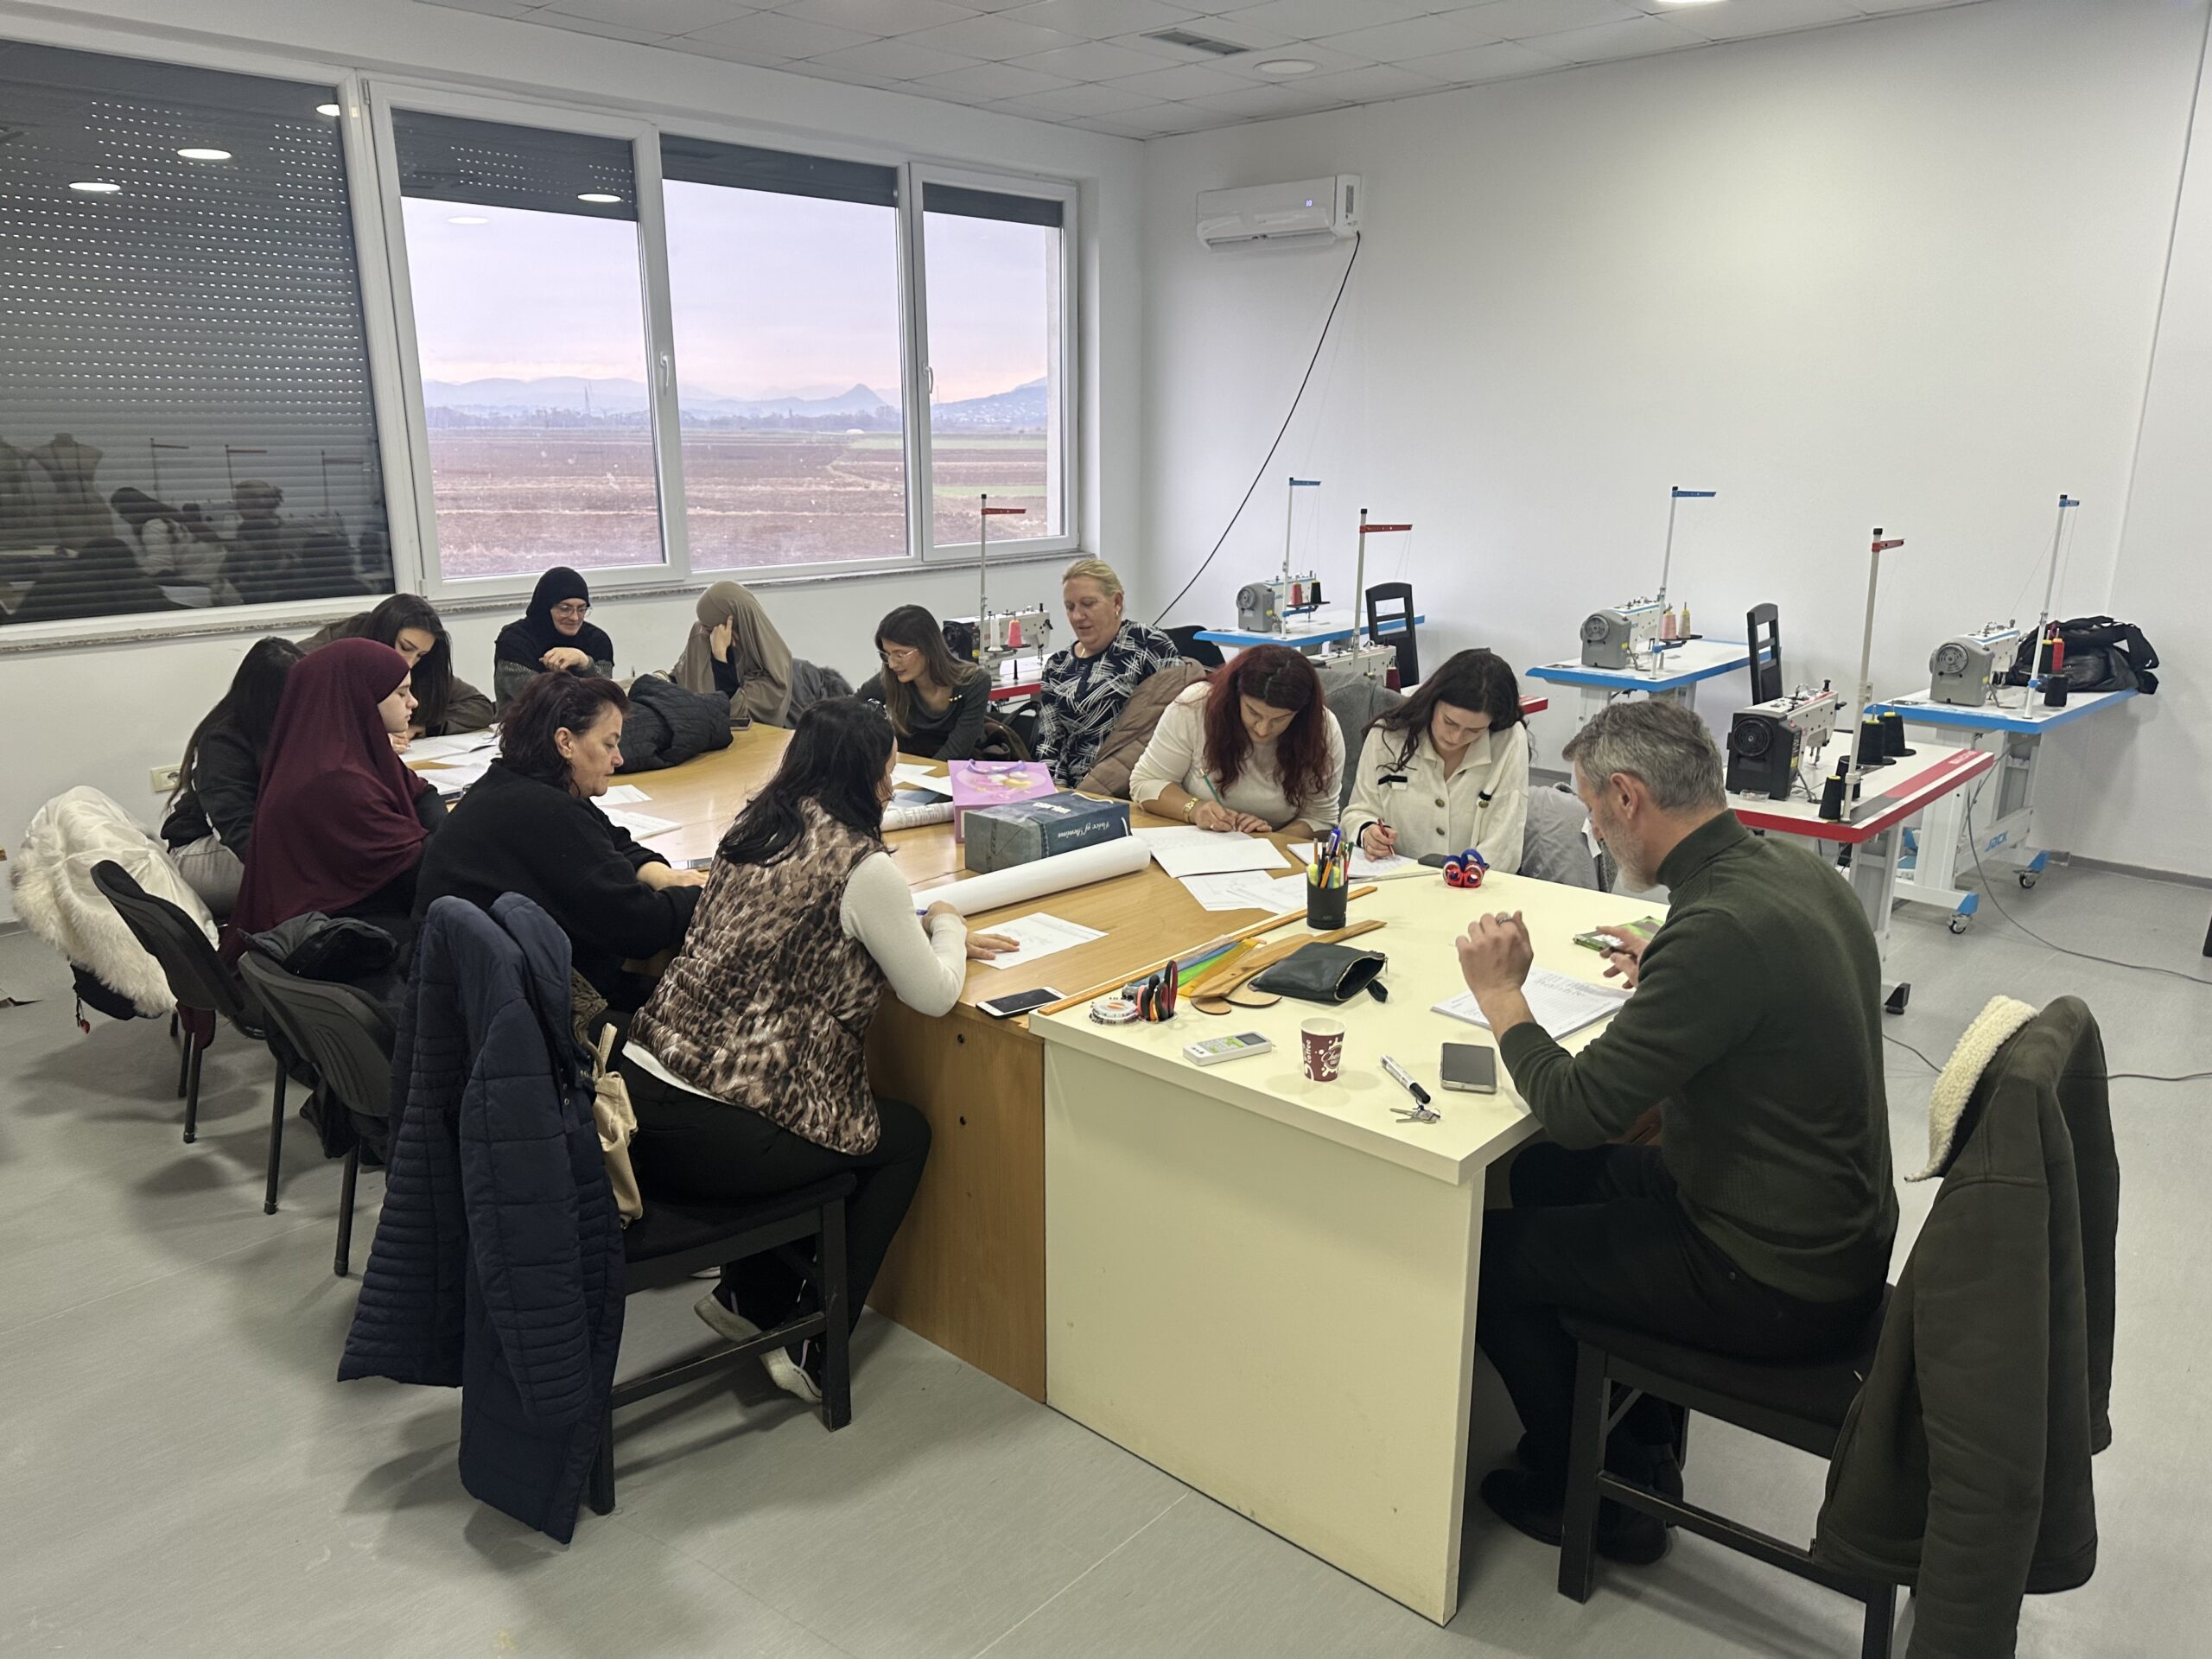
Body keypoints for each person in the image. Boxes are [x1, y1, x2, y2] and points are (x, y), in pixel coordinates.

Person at [1451, 699, 1897, 1565]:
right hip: (1824, 1224)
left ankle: (1599, 1495)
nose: (1591, 827)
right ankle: (1641, 1441)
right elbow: (1765, 1010)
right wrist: (1669, 971)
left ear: (1627, 797)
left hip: (1773, 1275)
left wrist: (1501, 996)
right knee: (1541, 1178)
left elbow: (1577, 1110)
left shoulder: (1716, 928)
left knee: (1493, 1262)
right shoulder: (1787, 869)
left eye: (1591, 807)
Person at [620, 698, 1016, 1403]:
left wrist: (910, 927)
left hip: (644, 1093)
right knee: (900, 1137)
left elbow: (809, 922)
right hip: (719, 1132)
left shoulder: (756, 828)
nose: (890, 788)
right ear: (864, 775)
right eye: (887, 773)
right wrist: (947, 925)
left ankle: (749, 1296)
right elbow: (933, 994)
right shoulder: (862, 865)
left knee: (810, 1124)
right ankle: (812, 1337)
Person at [412, 673, 705, 1008]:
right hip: (489, 1006)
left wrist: (664, 876)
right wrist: (701, 894)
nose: (619, 759)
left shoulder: (515, 783)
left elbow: (616, 842)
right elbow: (639, 927)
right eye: (609, 744)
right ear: (566, 742)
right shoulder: (545, 811)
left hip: (468, 987)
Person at [227, 639, 446, 949]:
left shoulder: (351, 748)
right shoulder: (334, 778)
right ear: (362, 695)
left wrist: (445, 834)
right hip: (332, 931)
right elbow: (414, 866)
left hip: (359, 907)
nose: (414, 703)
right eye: (401, 693)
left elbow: (422, 793)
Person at [1130, 644, 1343, 836]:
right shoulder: (1195, 706)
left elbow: (1321, 819)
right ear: (1235, 695)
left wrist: (1269, 840)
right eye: (1253, 712)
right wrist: (1195, 809)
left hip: (1273, 851)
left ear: (1300, 714)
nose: (1262, 730)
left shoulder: (1321, 729)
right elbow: (1146, 782)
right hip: (1198, 841)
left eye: (1280, 719)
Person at [1345, 649, 1530, 868]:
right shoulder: (1388, 736)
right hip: (1397, 877)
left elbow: (1502, 847)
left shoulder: (1508, 740)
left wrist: (1461, 880)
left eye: (1474, 731)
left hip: (1477, 883)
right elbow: (1358, 812)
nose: (1456, 737)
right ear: (1432, 701)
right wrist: (1368, 832)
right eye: (1449, 722)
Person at [161, 637, 306, 912]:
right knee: (321, 866)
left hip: (260, 837)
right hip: (200, 851)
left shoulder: (288, 727)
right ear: (269, 697)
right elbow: (236, 828)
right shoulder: (222, 740)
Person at [1034, 557, 1183, 788]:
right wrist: (1056, 793)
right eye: (1070, 607)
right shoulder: (1058, 665)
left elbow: (1176, 723)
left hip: (1135, 785)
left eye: (1088, 604)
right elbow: (1049, 743)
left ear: (1117, 602)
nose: (1077, 616)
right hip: (1075, 790)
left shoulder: (1147, 644)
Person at [303, 594, 493, 737]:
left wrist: (420, 728)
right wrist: (371, 740)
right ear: (384, 633)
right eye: (405, 648)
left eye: (421, 655)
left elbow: (480, 707)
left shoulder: (424, 668)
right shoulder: (325, 657)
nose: (409, 663)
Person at [858, 605, 991, 760]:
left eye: (900, 654)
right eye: (887, 655)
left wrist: (922, 776)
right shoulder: (891, 679)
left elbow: (957, 751)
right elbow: (848, 709)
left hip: (958, 769)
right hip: (910, 768)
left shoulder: (975, 683)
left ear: (928, 647)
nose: (892, 664)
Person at [669, 579, 793, 727]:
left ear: (732, 626)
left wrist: (720, 658)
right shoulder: (703, 634)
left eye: (708, 628)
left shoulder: (772, 670)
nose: (701, 630)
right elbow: (681, 678)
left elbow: (735, 718)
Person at [493, 566, 615, 710]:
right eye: (565, 609)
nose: (575, 617)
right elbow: (540, 700)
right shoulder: (514, 641)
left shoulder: (597, 640)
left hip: (588, 721)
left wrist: (585, 662)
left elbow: (607, 697)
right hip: (529, 722)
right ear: (545, 607)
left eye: (582, 609)